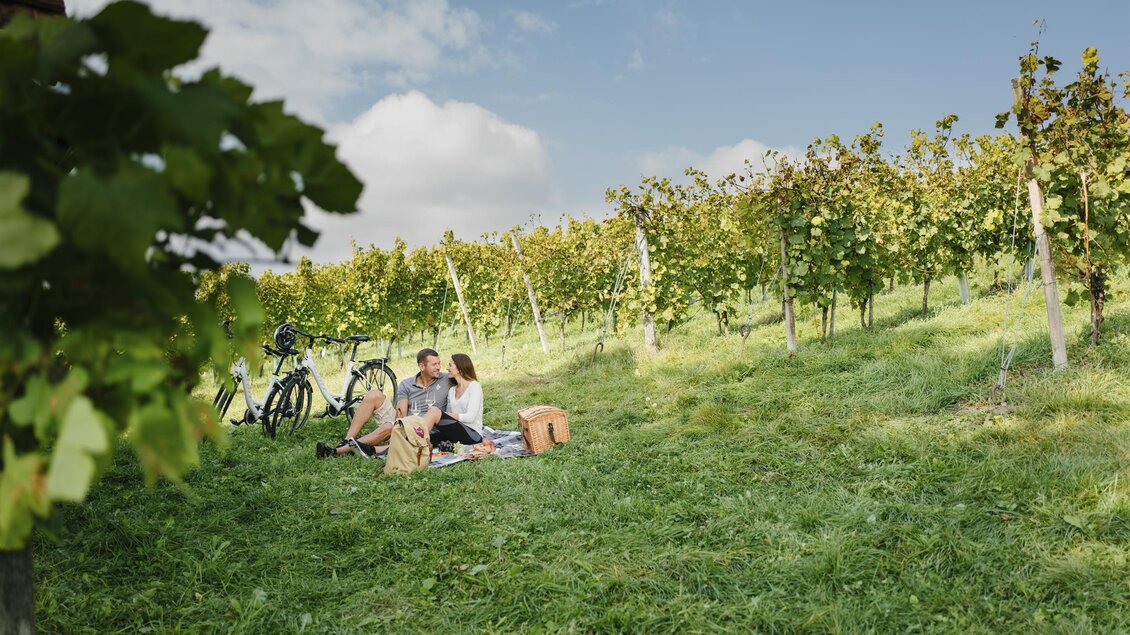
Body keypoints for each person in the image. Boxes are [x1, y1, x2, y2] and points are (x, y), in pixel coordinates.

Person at [316, 348, 450, 459]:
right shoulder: (407, 384)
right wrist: (400, 425)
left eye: (439, 363)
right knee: (373, 395)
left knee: (388, 427)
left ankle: (338, 451)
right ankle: (347, 440)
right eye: (434, 364)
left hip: (424, 427)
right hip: (405, 421)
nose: (439, 367)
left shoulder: (445, 379)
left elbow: (465, 376)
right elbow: (401, 413)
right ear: (422, 366)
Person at [421, 353, 484, 447]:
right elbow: (448, 421)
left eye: (450, 365)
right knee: (430, 437)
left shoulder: (474, 386)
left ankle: (415, 443)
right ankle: (407, 446)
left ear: (459, 368)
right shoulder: (452, 390)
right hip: (456, 432)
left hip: (473, 435)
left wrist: (441, 414)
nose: (447, 368)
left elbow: (470, 417)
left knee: (434, 411)